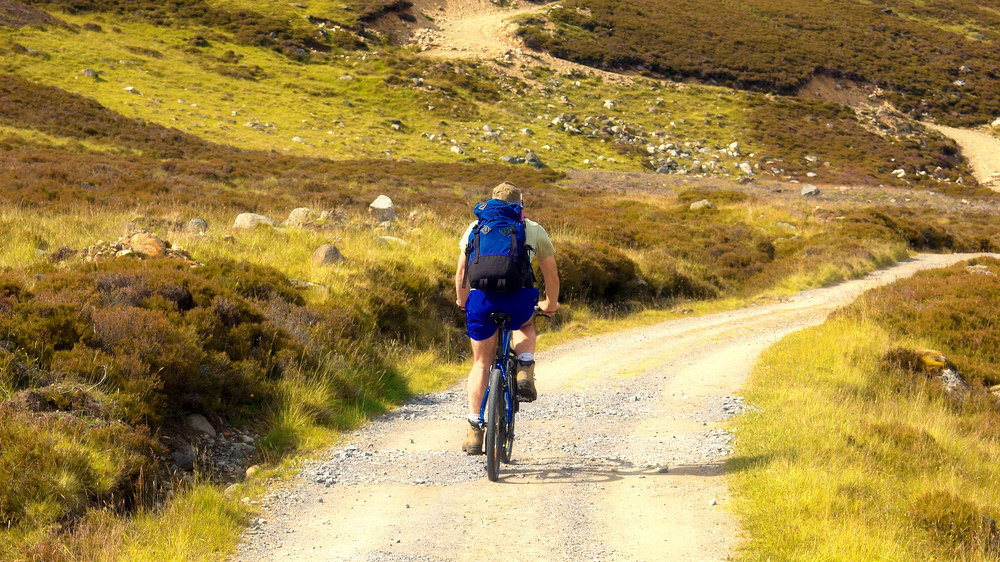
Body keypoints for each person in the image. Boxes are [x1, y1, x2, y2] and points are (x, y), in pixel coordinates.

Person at [454, 181, 559, 455]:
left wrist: (462, 300)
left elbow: (462, 271)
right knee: (525, 323)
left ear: (491, 202)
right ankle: (524, 367)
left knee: (480, 363)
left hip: (481, 301)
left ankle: (475, 430)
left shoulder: (475, 227)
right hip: (518, 300)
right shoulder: (532, 229)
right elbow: (551, 275)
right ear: (519, 204)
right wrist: (551, 303)